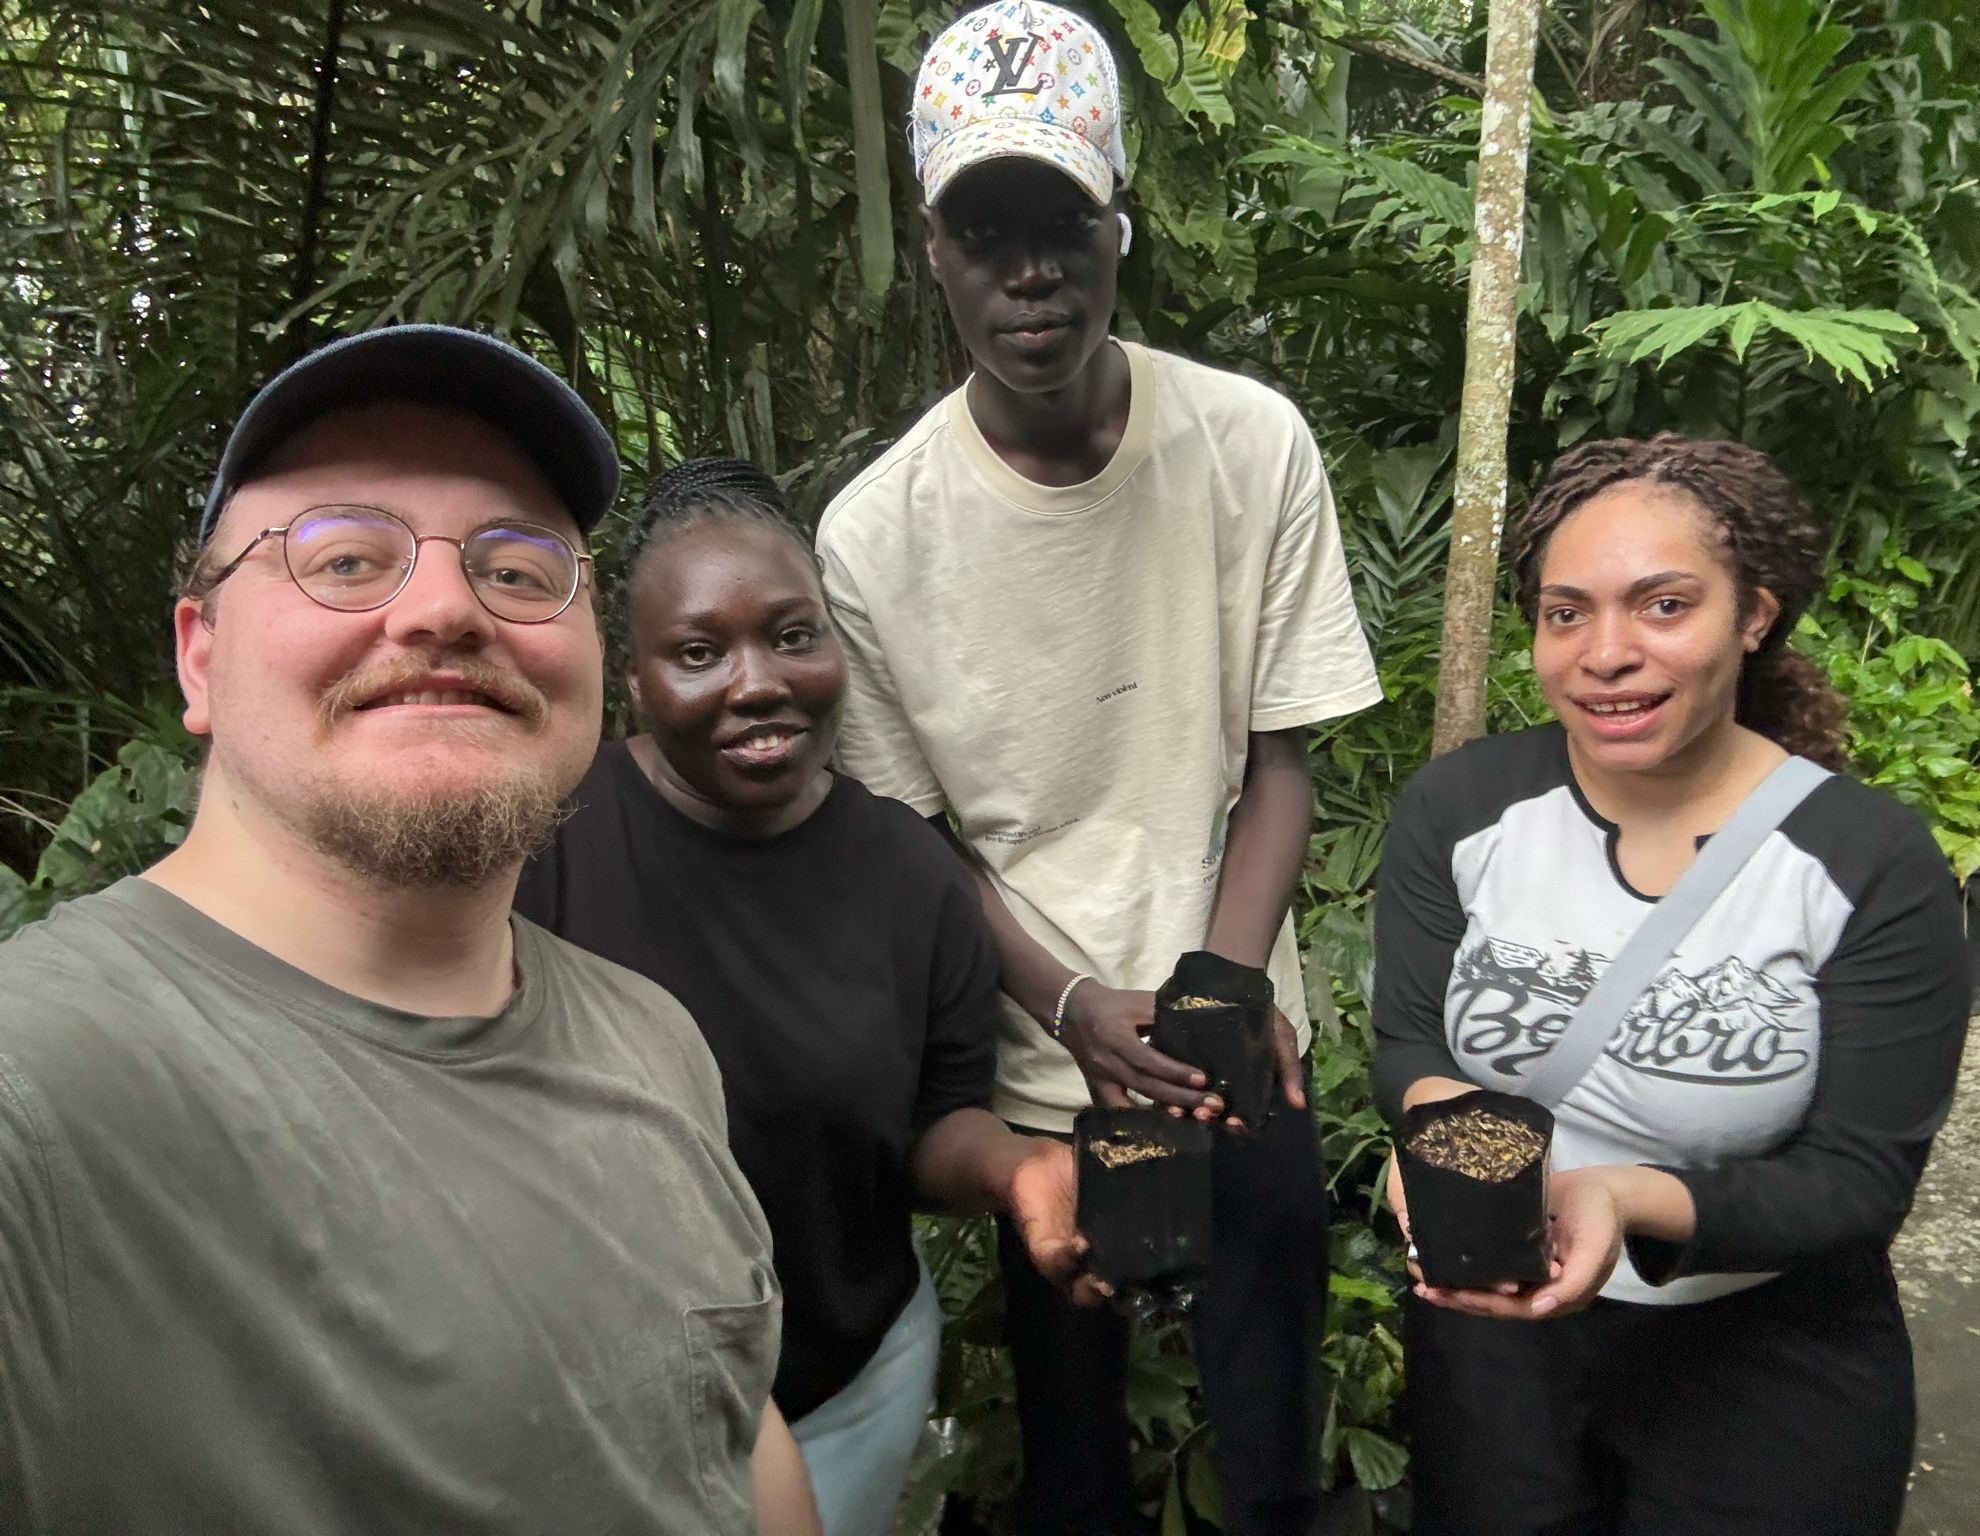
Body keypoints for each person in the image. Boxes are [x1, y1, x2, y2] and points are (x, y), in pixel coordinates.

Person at [0, 327, 819, 1536]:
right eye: (342, 556)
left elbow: (734, 1431)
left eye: (523, 567)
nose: (445, 606)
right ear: (201, 657)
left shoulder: (652, 1040)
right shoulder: (41, 1092)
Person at [814, 6, 1383, 1531]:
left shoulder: (1249, 445)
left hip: (1236, 1020)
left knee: (1268, 1415)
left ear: (1116, 220)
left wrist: (1216, 994)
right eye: (984, 228)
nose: (1029, 268)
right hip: (1036, 1059)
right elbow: (915, 838)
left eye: (1060, 217)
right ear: (935, 249)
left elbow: (1279, 763)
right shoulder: (876, 534)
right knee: (1075, 1456)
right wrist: (1072, 1006)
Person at [1373, 434, 1970, 1536]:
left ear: (1753, 615)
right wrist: (1450, 1140)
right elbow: (1410, 1039)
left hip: (1766, 1361)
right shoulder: (1463, 808)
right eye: (1566, 613)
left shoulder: (1870, 862)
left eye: (1662, 605)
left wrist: (1619, 1197)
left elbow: (1856, 1183)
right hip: (1496, 1342)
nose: (1606, 653)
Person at [515, 457, 1096, 1536]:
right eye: (699, 651)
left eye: (791, 635)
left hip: (845, 1388)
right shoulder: (545, 838)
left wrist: (1019, 1168)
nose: (756, 682)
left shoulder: (913, 875)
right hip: (588, 1407)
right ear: (633, 675)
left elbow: (932, 1126)